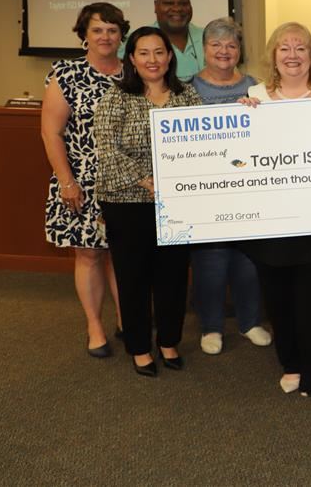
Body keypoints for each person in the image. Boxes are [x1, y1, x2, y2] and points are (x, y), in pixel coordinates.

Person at [239, 22, 311, 408]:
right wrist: (240, 123)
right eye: (283, 48)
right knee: (280, 300)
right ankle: (291, 365)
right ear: (273, 56)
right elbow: (240, 158)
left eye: (300, 48)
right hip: (272, 223)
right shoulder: (253, 99)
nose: (292, 55)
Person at [95, 27, 201, 377]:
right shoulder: (116, 97)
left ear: (170, 57)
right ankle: (139, 347)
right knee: (133, 276)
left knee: (172, 277)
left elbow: (205, 143)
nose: (152, 60)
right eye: (144, 53)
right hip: (128, 202)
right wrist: (148, 180)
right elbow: (108, 150)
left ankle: (169, 341)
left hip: (176, 203)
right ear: (131, 59)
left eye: (159, 52)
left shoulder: (188, 96)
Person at [41, 2, 127, 358]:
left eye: (112, 29)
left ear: (121, 35)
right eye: (97, 30)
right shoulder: (67, 73)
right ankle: (95, 326)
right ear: (84, 35)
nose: (105, 36)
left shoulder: (136, 70)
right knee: (91, 254)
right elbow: (51, 132)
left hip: (130, 182)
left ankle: (128, 321)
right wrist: (67, 182)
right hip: (82, 181)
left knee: (125, 255)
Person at [189, 17, 271, 355]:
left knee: (249, 263)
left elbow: (269, 136)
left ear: (240, 50)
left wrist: (258, 112)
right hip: (204, 195)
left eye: (232, 45)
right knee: (211, 264)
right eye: (216, 44)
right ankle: (211, 327)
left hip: (247, 191)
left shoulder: (256, 88)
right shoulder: (186, 90)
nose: (224, 51)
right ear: (204, 49)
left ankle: (250, 322)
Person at [117, 0, 204, 81]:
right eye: (169, 3)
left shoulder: (208, 37)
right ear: (155, 6)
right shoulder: (137, 39)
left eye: (183, 3)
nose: (177, 8)